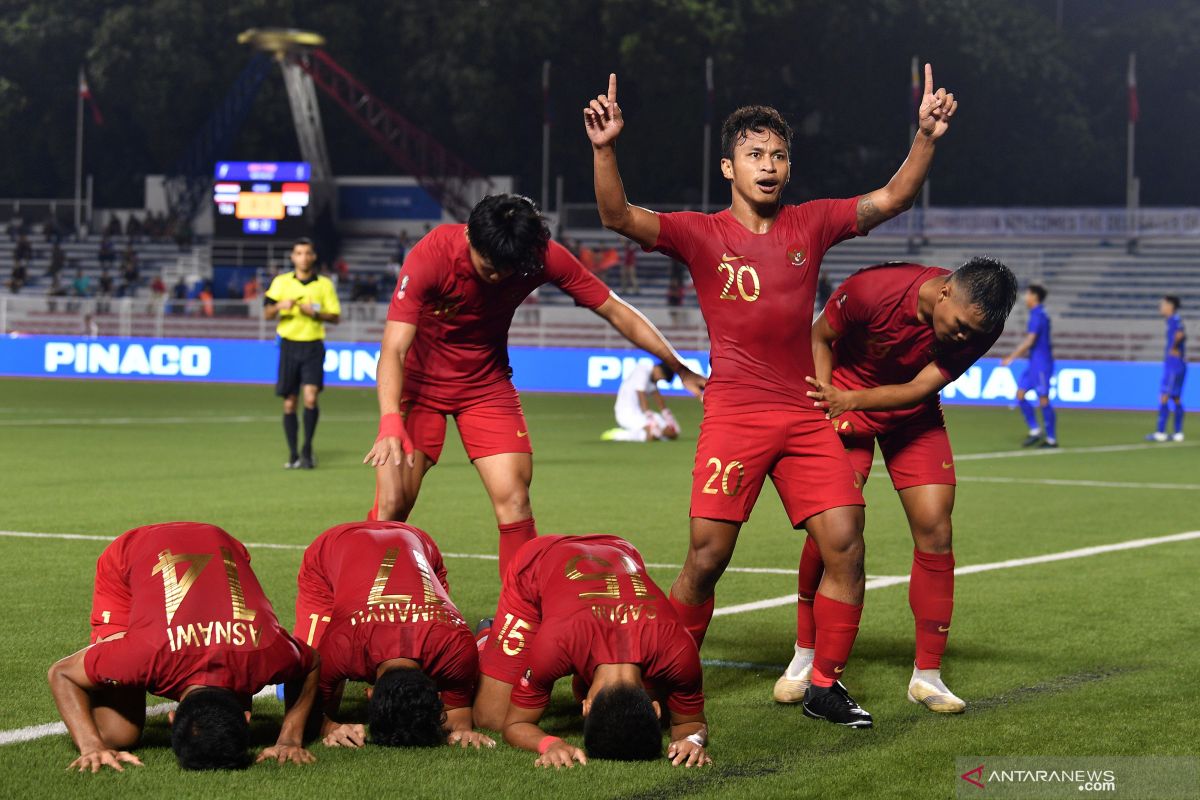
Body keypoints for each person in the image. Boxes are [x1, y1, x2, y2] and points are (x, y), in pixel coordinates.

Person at [585, 66, 956, 727]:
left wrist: (925, 136)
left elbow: (894, 197)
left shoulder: (811, 224)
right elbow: (615, 215)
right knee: (707, 556)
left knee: (846, 540)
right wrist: (605, 148)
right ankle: (667, 682)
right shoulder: (700, 234)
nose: (770, 165)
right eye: (755, 154)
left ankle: (824, 685)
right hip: (735, 412)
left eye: (779, 154)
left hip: (804, 410)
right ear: (729, 167)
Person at [363, 194, 704, 578]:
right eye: (490, 268)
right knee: (392, 504)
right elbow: (393, 347)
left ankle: (516, 617)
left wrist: (678, 365)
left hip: (485, 385)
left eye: (508, 270)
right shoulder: (433, 255)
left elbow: (614, 308)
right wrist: (390, 419)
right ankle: (364, 601)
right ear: (471, 239)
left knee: (515, 502)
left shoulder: (539, 255)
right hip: (419, 386)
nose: (498, 278)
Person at [793, 258, 1017, 714]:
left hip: (908, 415)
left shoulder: (982, 324)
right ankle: (804, 654)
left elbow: (918, 388)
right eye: (959, 326)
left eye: (973, 334)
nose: (964, 338)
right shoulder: (874, 289)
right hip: (842, 401)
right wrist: (825, 402)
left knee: (936, 529)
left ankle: (927, 675)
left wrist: (851, 399)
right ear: (945, 292)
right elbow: (820, 336)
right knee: (834, 529)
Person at [47, 522, 321, 773]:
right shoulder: (143, 654)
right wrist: (93, 746)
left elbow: (312, 661)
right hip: (133, 553)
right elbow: (61, 673)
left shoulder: (267, 654)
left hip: (221, 541)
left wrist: (290, 738)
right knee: (117, 735)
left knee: (121, 732)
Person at [474, 534, 710, 768]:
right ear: (585, 707)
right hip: (537, 562)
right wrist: (550, 744)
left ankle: (581, 677)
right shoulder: (557, 644)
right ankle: (487, 636)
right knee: (492, 718)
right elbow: (513, 725)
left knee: (658, 717)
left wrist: (691, 740)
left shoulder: (677, 649)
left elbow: (692, 724)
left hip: (619, 551)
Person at [293, 520, 494, 750]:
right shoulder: (341, 646)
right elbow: (302, 710)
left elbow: (456, 713)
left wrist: (463, 732)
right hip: (331, 551)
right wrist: (330, 726)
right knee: (308, 680)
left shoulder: (456, 649)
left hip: (416, 541)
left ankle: (487, 636)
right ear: (369, 693)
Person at [264, 238, 341, 469]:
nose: (303, 257)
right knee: (289, 403)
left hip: (313, 346)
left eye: (308, 253)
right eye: (299, 253)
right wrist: (278, 307)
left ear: (313, 256)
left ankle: (307, 449)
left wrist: (314, 313)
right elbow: (267, 313)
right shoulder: (281, 282)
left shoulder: (324, 284)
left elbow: (335, 316)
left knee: (310, 397)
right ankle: (293, 453)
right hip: (288, 345)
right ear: (292, 257)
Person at [1000, 284, 1056, 448]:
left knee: (1043, 399)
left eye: (1028, 294)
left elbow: (1030, 341)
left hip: (1041, 364)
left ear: (1035, 297)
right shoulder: (1038, 313)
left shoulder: (1038, 315)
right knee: (1020, 394)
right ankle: (1035, 430)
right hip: (1034, 363)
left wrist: (1011, 358)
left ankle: (1051, 439)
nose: (1025, 297)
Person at [601, 360, 680, 442]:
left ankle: (650, 433)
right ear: (658, 369)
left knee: (672, 433)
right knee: (652, 435)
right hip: (626, 413)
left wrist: (666, 414)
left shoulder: (652, 378)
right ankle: (618, 435)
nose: (659, 379)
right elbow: (641, 394)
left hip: (640, 413)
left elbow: (657, 396)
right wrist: (650, 418)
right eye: (661, 377)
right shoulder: (643, 369)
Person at [1147, 295, 1186, 442]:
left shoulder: (1175, 320)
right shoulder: (1172, 320)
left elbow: (1180, 334)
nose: (1161, 307)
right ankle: (1178, 433)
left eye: (1163, 304)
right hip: (1177, 363)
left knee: (1164, 396)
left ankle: (1161, 432)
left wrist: (1174, 348)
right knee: (1175, 398)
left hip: (1174, 364)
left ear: (1170, 305)